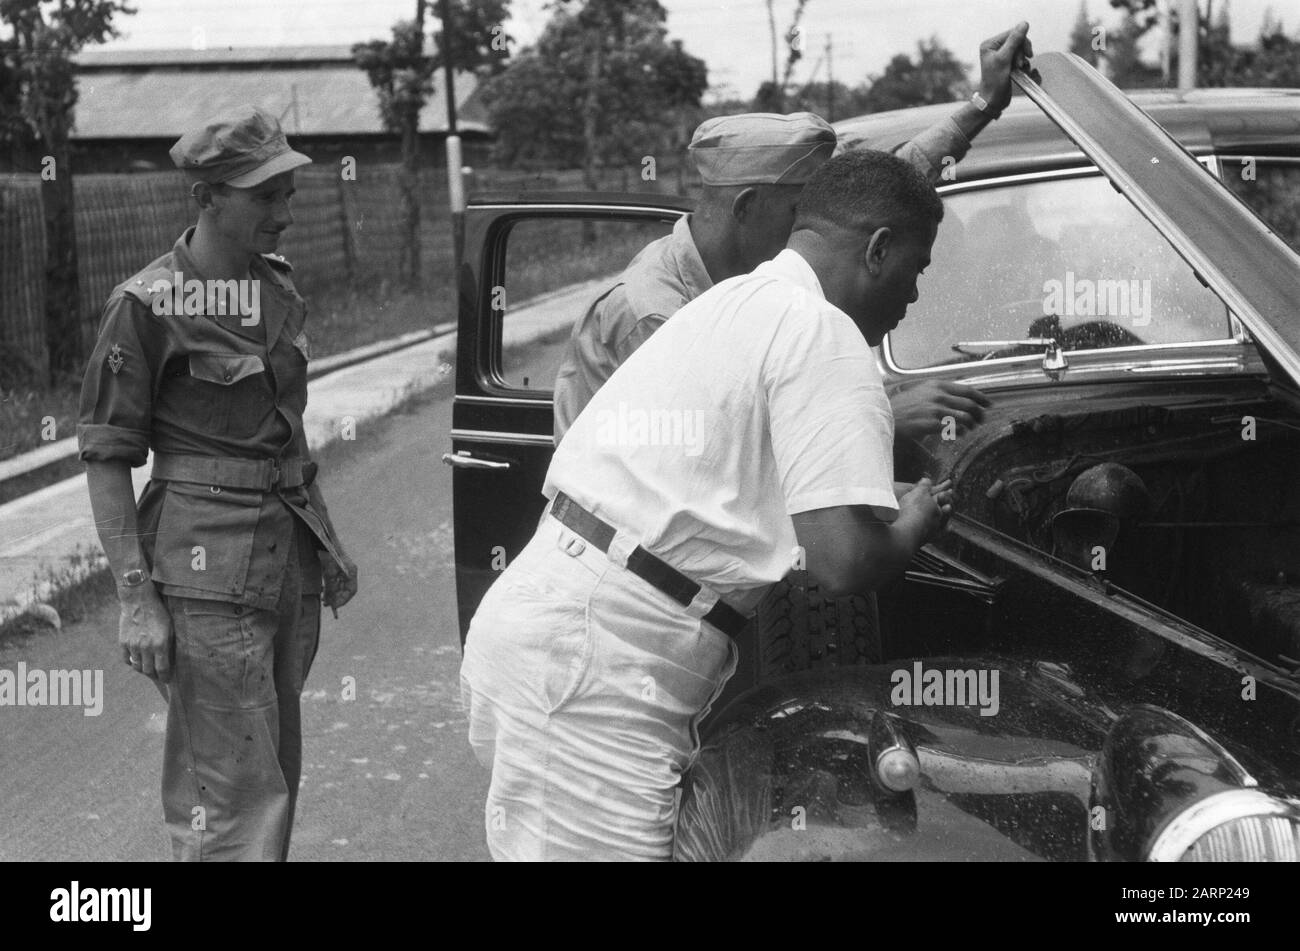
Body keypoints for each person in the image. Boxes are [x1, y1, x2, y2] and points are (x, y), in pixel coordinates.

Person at [461, 149, 953, 860]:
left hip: (571, 633)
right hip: (596, 666)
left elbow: (737, 492)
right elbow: (844, 562)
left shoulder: (738, 301)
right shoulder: (824, 332)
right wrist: (913, 522)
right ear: (879, 248)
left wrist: (867, 500)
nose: (912, 296)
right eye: (916, 269)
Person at [78, 105, 359, 861]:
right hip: (204, 571)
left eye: (287, 193)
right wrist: (136, 598)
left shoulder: (276, 288)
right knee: (230, 795)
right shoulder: (145, 306)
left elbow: (285, 429)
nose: (286, 214)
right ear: (206, 199)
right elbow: (107, 457)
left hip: (283, 560)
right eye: (266, 196)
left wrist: (325, 541)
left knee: (271, 772)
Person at [551, 22, 1034, 443]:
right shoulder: (656, 316)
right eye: (806, 208)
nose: (825, 219)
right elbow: (719, 455)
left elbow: (881, 189)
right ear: (747, 208)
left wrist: (983, 105)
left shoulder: (759, 265)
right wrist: (881, 412)